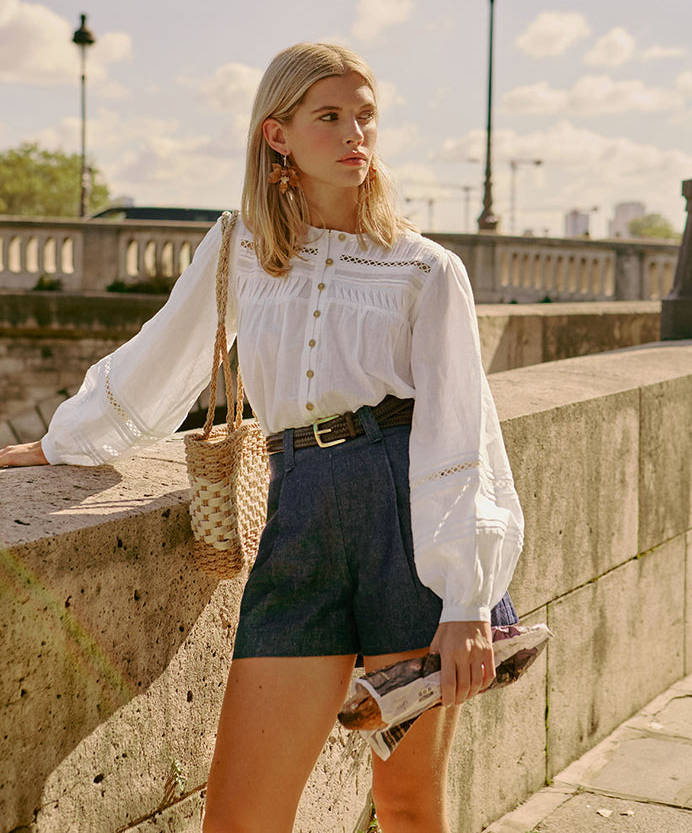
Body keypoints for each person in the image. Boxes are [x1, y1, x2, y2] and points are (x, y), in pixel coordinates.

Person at [0, 42, 524, 833]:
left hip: (404, 525)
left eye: (365, 117)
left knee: (409, 806)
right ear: (277, 134)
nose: (356, 134)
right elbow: (161, 355)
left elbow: (462, 431)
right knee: (240, 817)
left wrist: (468, 600)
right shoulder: (241, 244)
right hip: (300, 513)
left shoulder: (425, 269)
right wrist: (62, 440)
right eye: (330, 116)